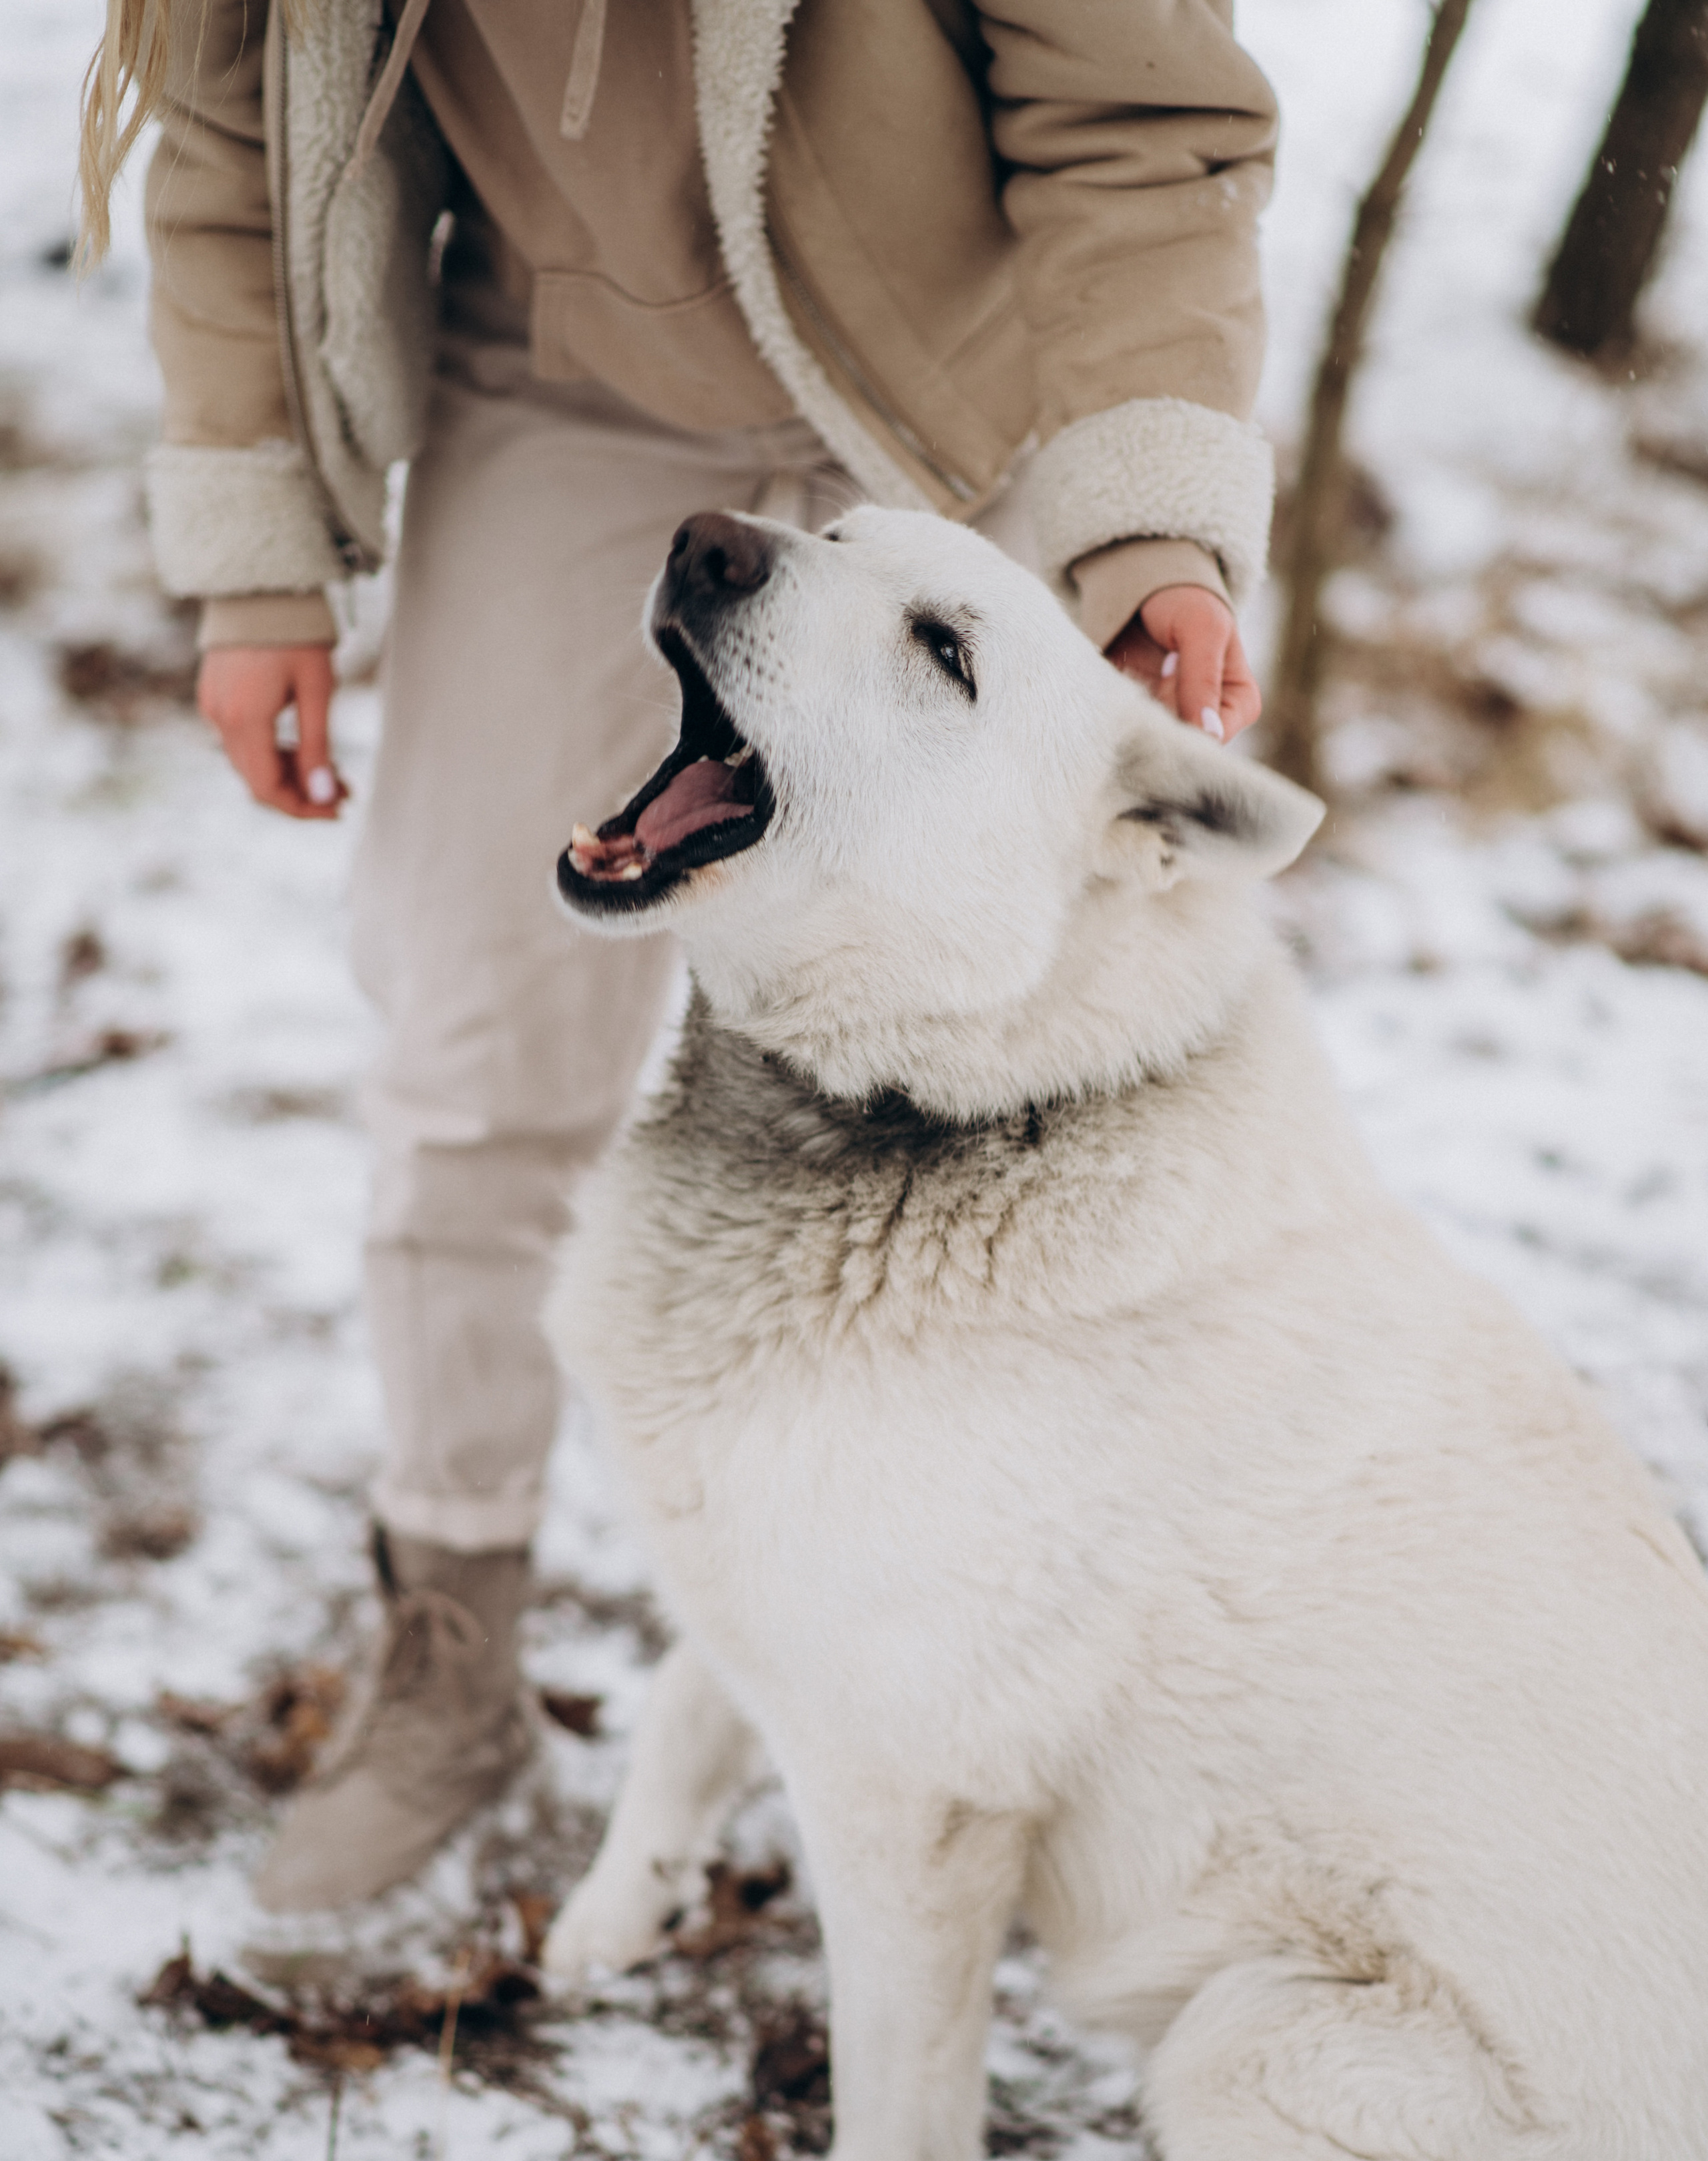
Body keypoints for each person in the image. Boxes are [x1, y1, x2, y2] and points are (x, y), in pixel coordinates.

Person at [80, 0, 1280, 1911]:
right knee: (479, 1047)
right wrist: (255, 544)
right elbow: (234, 137)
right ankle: (454, 1655)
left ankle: (982, 1685)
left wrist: (1150, 520)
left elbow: (1136, 117)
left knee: (1000, 1099)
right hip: (557, 396)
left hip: (958, 411)